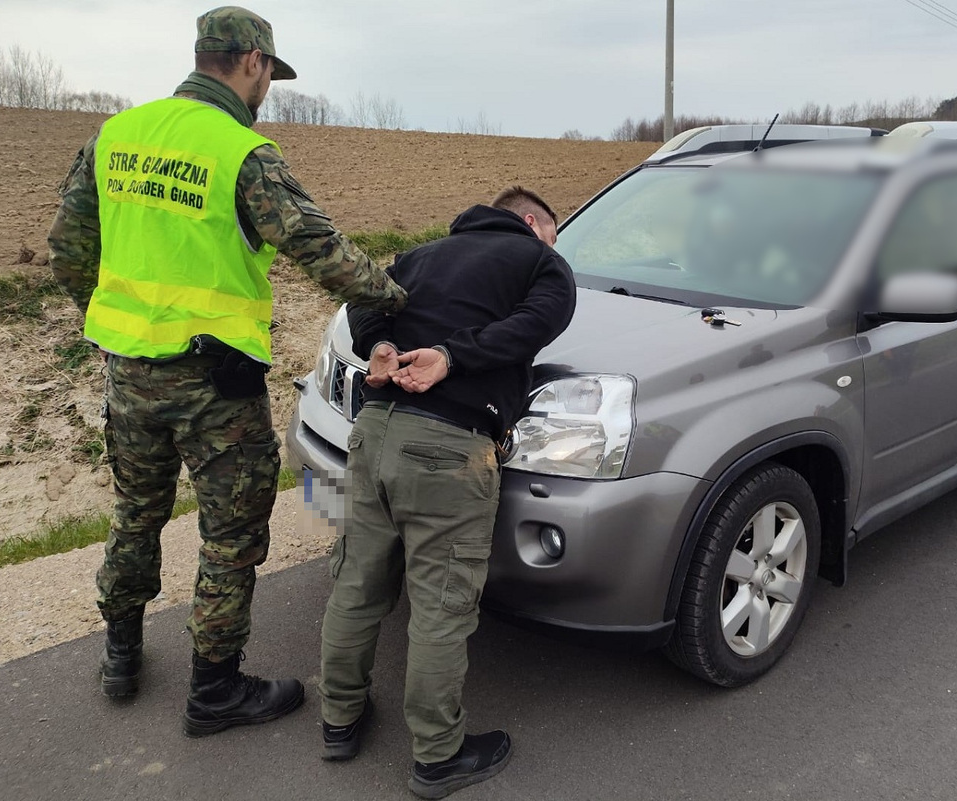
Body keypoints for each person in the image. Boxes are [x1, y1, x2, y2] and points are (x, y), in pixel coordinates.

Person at [47, 5, 407, 737]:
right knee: (231, 532)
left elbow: (67, 249)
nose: (266, 87)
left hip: (128, 374)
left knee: (136, 512)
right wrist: (401, 299)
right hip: (216, 385)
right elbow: (324, 252)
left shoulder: (115, 135)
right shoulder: (242, 151)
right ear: (252, 61)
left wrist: (116, 324)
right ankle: (214, 688)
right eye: (269, 72)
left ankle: (121, 656)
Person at [318, 187, 576, 798]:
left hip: (372, 434)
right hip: (449, 449)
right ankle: (438, 756)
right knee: (441, 605)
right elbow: (537, 325)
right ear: (533, 222)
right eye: (553, 233)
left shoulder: (419, 255)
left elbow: (363, 301)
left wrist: (379, 347)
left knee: (356, 583)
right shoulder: (542, 261)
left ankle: (339, 721)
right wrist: (452, 357)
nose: (554, 244)